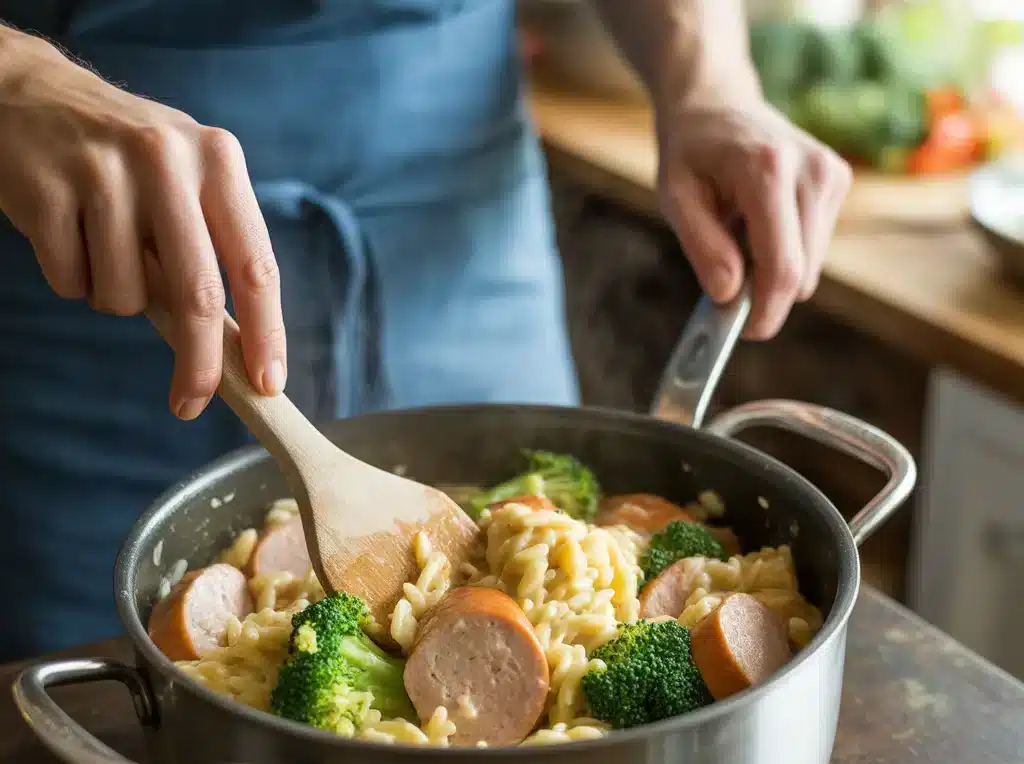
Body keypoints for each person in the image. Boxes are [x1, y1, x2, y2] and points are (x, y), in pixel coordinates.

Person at [0, 1, 851, 661]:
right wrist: (17, 80)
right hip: (79, 232)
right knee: (74, 701)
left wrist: (709, 83)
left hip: (453, 205)